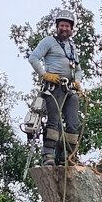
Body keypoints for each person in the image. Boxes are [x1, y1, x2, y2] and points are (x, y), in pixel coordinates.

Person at [28, 9, 83, 166]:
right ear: (57, 27)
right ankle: (48, 156)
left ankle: (68, 156)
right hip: (54, 87)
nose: (64, 28)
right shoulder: (48, 41)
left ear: (71, 29)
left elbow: (79, 70)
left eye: (67, 26)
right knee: (55, 122)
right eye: (62, 25)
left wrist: (77, 81)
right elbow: (33, 58)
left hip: (70, 89)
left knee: (73, 123)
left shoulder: (72, 47)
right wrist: (45, 74)